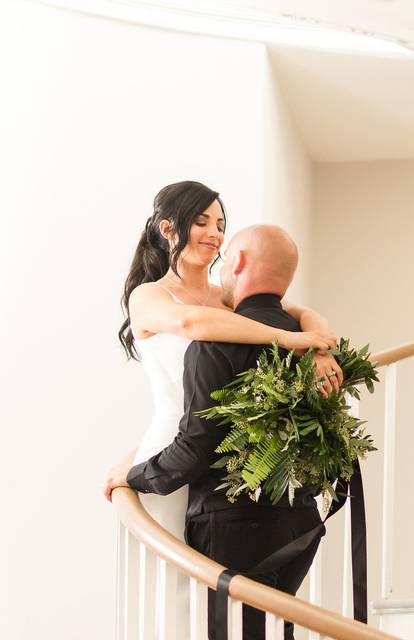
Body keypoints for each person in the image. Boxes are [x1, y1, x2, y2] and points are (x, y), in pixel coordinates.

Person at [108, 180, 341, 637]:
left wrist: (320, 348)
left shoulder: (225, 296)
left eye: (220, 224)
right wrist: (292, 340)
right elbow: (193, 325)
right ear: (168, 228)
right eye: (201, 222)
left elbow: (303, 313)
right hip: (170, 451)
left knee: (220, 603)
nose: (214, 233)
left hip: (218, 460)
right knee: (172, 599)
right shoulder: (150, 296)